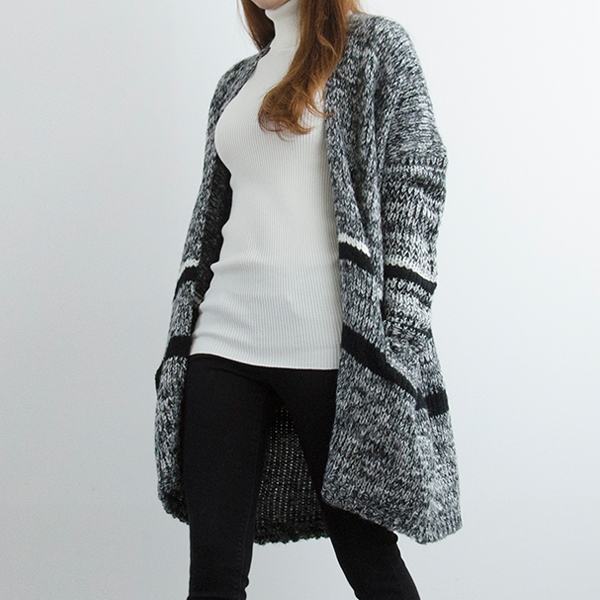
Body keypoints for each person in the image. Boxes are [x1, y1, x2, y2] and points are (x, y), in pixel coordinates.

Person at [154, 0, 463, 598]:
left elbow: (417, 177)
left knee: (371, 561)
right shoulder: (236, 82)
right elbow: (213, 216)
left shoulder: (375, 48)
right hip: (221, 339)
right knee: (214, 574)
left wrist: (401, 326)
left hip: (329, 347)